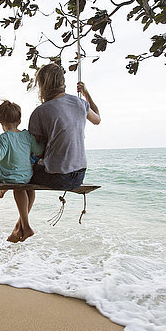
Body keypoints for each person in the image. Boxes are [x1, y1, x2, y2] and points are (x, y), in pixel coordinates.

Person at [17, 62, 101, 238]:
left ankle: (23, 227)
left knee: (20, 178)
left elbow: (35, 150)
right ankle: (19, 228)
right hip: (79, 176)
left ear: (42, 85)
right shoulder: (80, 103)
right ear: (62, 81)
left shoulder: (40, 112)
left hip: (57, 177)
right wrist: (86, 94)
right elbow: (97, 119)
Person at [0, 100, 43, 242]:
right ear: (19, 120)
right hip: (27, 176)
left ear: (1, 122)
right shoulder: (27, 135)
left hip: (9, 176)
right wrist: (41, 140)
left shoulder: (4, 137)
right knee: (20, 186)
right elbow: (39, 150)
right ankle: (2, 194)